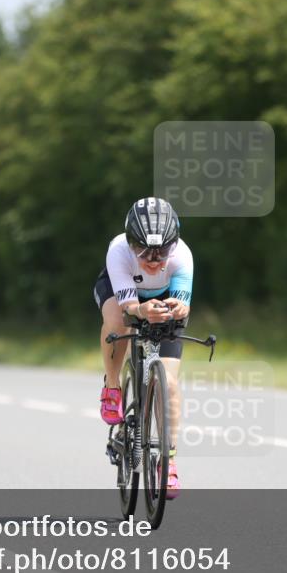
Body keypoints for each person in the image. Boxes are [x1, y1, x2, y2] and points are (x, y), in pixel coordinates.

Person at [93, 197, 193, 498]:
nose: (152, 259)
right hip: (124, 294)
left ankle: (168, 462)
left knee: (170, 384)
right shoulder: (119, 251)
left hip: (161, 299)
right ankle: (112, 387)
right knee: (117, 322)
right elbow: (129, 306)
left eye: (162, 251)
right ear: (130, 242)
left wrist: (178, 309)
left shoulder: (183, 256)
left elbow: (184, 305)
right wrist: (141, 310)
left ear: (173, 245)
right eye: (143, 250)